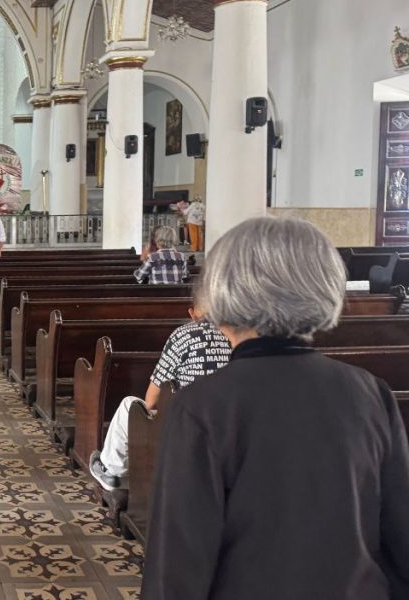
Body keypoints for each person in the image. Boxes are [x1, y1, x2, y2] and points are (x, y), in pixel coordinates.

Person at [141, 216, 409, 600]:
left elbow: (177, 567)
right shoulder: (370, 392)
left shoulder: (203, 405)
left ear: (223, 294)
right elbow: (400, 542)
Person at [88, 280, 231, 490]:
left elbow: (151, 400)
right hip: (227, 429)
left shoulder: (183, 335)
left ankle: (110, 471)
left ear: (192, 313)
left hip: (186, 430)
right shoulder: (237, 336)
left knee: (130, 406)